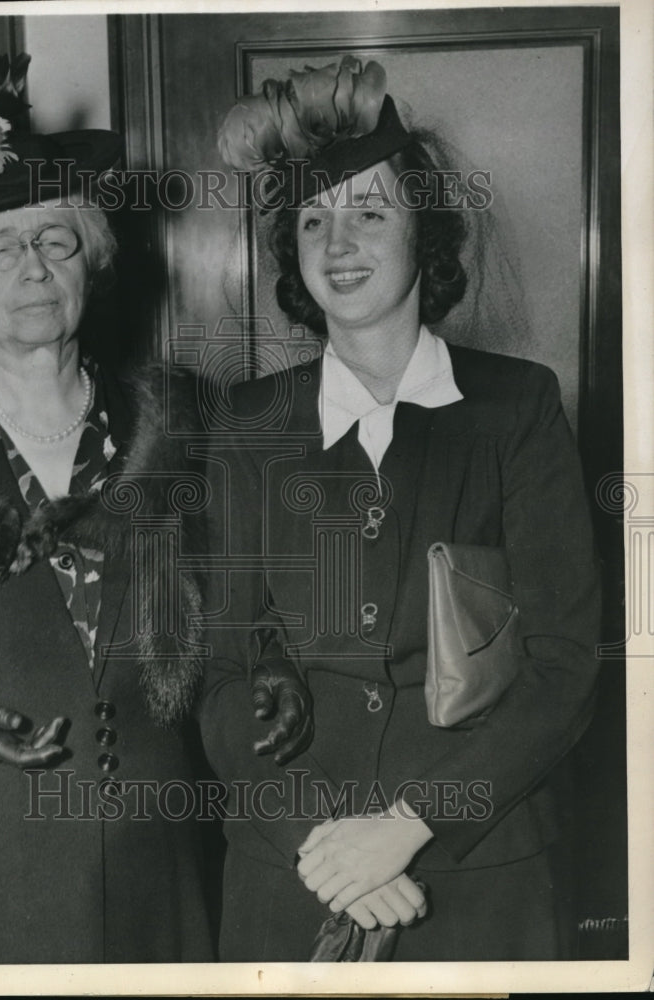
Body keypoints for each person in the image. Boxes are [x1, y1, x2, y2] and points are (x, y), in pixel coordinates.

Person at [0, 51, 309, 965]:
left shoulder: (183, 427)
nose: (33, 268)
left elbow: (243, 607)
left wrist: (268, 664)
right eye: (1, 248)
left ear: (92, 264)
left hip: (155, 875)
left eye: (57, 241)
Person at [200, 57, 601, 961]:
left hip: (480, 874)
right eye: (313, 219)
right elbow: (221, 674)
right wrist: (324, 841)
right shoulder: (249, 424)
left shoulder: (517, 408)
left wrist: (411, 823)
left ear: (427, 233)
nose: (338, 242)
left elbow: (564, 666)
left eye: (370, 213)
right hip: (292, 874)